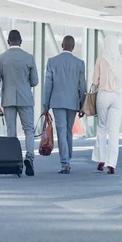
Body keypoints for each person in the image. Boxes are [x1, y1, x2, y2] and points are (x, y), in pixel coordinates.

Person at [0, 30, 39, 176]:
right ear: (21, 41)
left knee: (11, 132)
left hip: (8, 99)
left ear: (8, 41)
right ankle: (29, 158)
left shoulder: (1, 59)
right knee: (29, 130)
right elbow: (35, 81)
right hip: (25, 99)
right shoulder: (29, 58)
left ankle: (14, 161)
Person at [42, 35, 87, 174]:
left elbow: (48, 85)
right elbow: (83, 86)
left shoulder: (52, 62)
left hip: (57, 101)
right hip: (73, 101)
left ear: (62, 45)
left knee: (61, 130)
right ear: (73, 47)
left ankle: (65, 162)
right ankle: (68, 159)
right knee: (68, 131)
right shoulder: (79, 63)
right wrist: (82, 106)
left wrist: (45, 105)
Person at [91, 35, 122, 175]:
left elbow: (95, 81)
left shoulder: (101, 59)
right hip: (117, 97)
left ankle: (101, 159)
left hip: (103, 95)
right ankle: (111, 164)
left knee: (102, 128)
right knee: (114, 131)